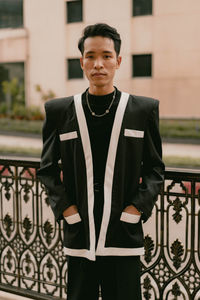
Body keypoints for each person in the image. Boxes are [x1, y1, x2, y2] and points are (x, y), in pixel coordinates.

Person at [37, 23, 165, 300]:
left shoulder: (143, 110)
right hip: (80, 233)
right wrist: (66, 209)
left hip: (123, 234)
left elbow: (155, 169)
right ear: (81, 62)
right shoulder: (59, 111)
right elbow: (46, 169)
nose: (98, 64)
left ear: (118, 61)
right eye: (91, 56)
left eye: (106, 56)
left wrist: (137, 208)